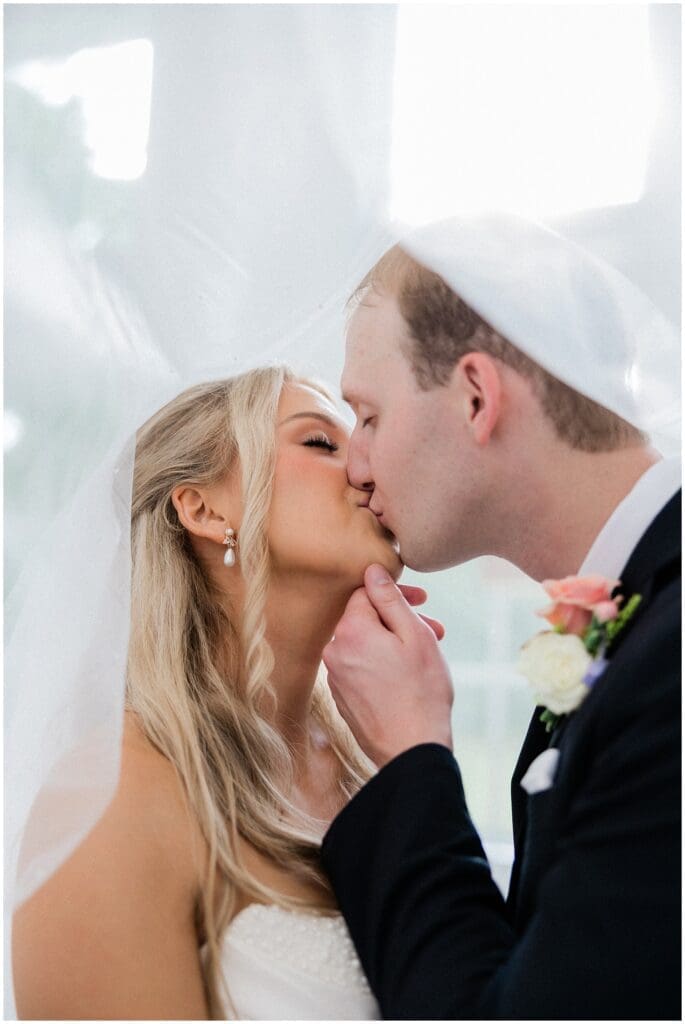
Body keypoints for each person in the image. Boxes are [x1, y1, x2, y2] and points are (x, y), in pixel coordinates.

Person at [321, 217, 681, 1019]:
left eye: (369, 417)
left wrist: (411, 749)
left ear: (477, 396)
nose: (354, 464)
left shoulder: (671, 661)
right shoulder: (629, 622)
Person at [11, 366, 443, 1020]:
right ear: (205, 509)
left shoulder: (379, 763)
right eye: (320, 444)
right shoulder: (116, 794)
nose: (366, 465)